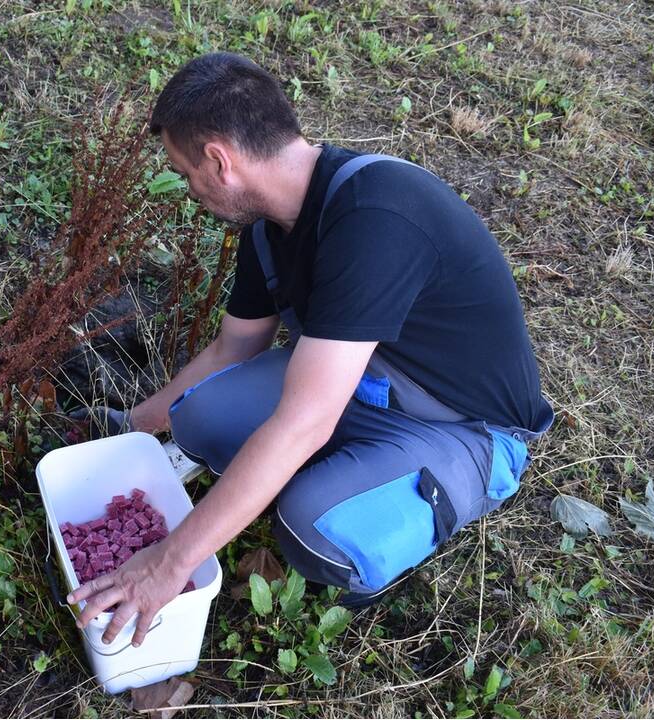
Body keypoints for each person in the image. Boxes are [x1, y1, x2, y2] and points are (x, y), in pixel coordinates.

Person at [68, 52, 553, 648]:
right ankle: (343, 466)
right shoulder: (269, 229)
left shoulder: (376, 217)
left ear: (220, 161)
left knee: (308, 525)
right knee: (197, 416)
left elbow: (303, 421)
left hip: (463, 427)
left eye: (185, 173)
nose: (189, 191)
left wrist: (167, 564)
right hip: (358, 381)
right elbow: (233, 347)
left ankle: (423, 496)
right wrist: (130, 428)